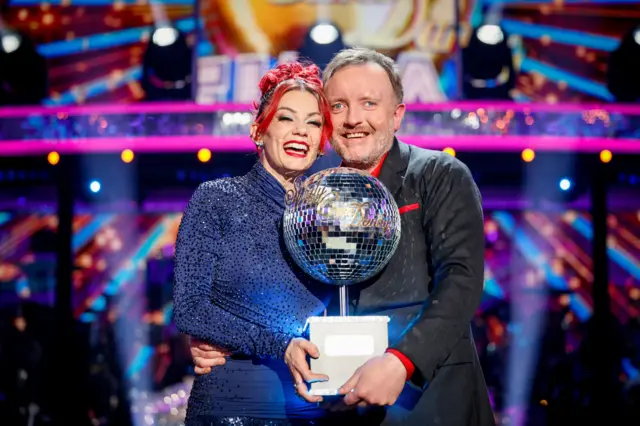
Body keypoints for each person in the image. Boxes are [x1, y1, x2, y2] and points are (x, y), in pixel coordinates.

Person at [191, 47, 496, 426]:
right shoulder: (310, 197)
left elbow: (462, 280)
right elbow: (275, 297)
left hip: (431, 401)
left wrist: (402, 361)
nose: (354, 119)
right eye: (338, 106)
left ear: (397, 114)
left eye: (369, 103)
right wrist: (224, 341)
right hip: (339, 408)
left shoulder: (439, 174)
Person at [173, 61, 340, 425]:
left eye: (313, 122)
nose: (301, 131)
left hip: (312, 402)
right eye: (286, 118)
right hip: (233, 403)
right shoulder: (216, 199)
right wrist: (281, 346)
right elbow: (189, 309)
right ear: (258, 130)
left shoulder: (330, 217)